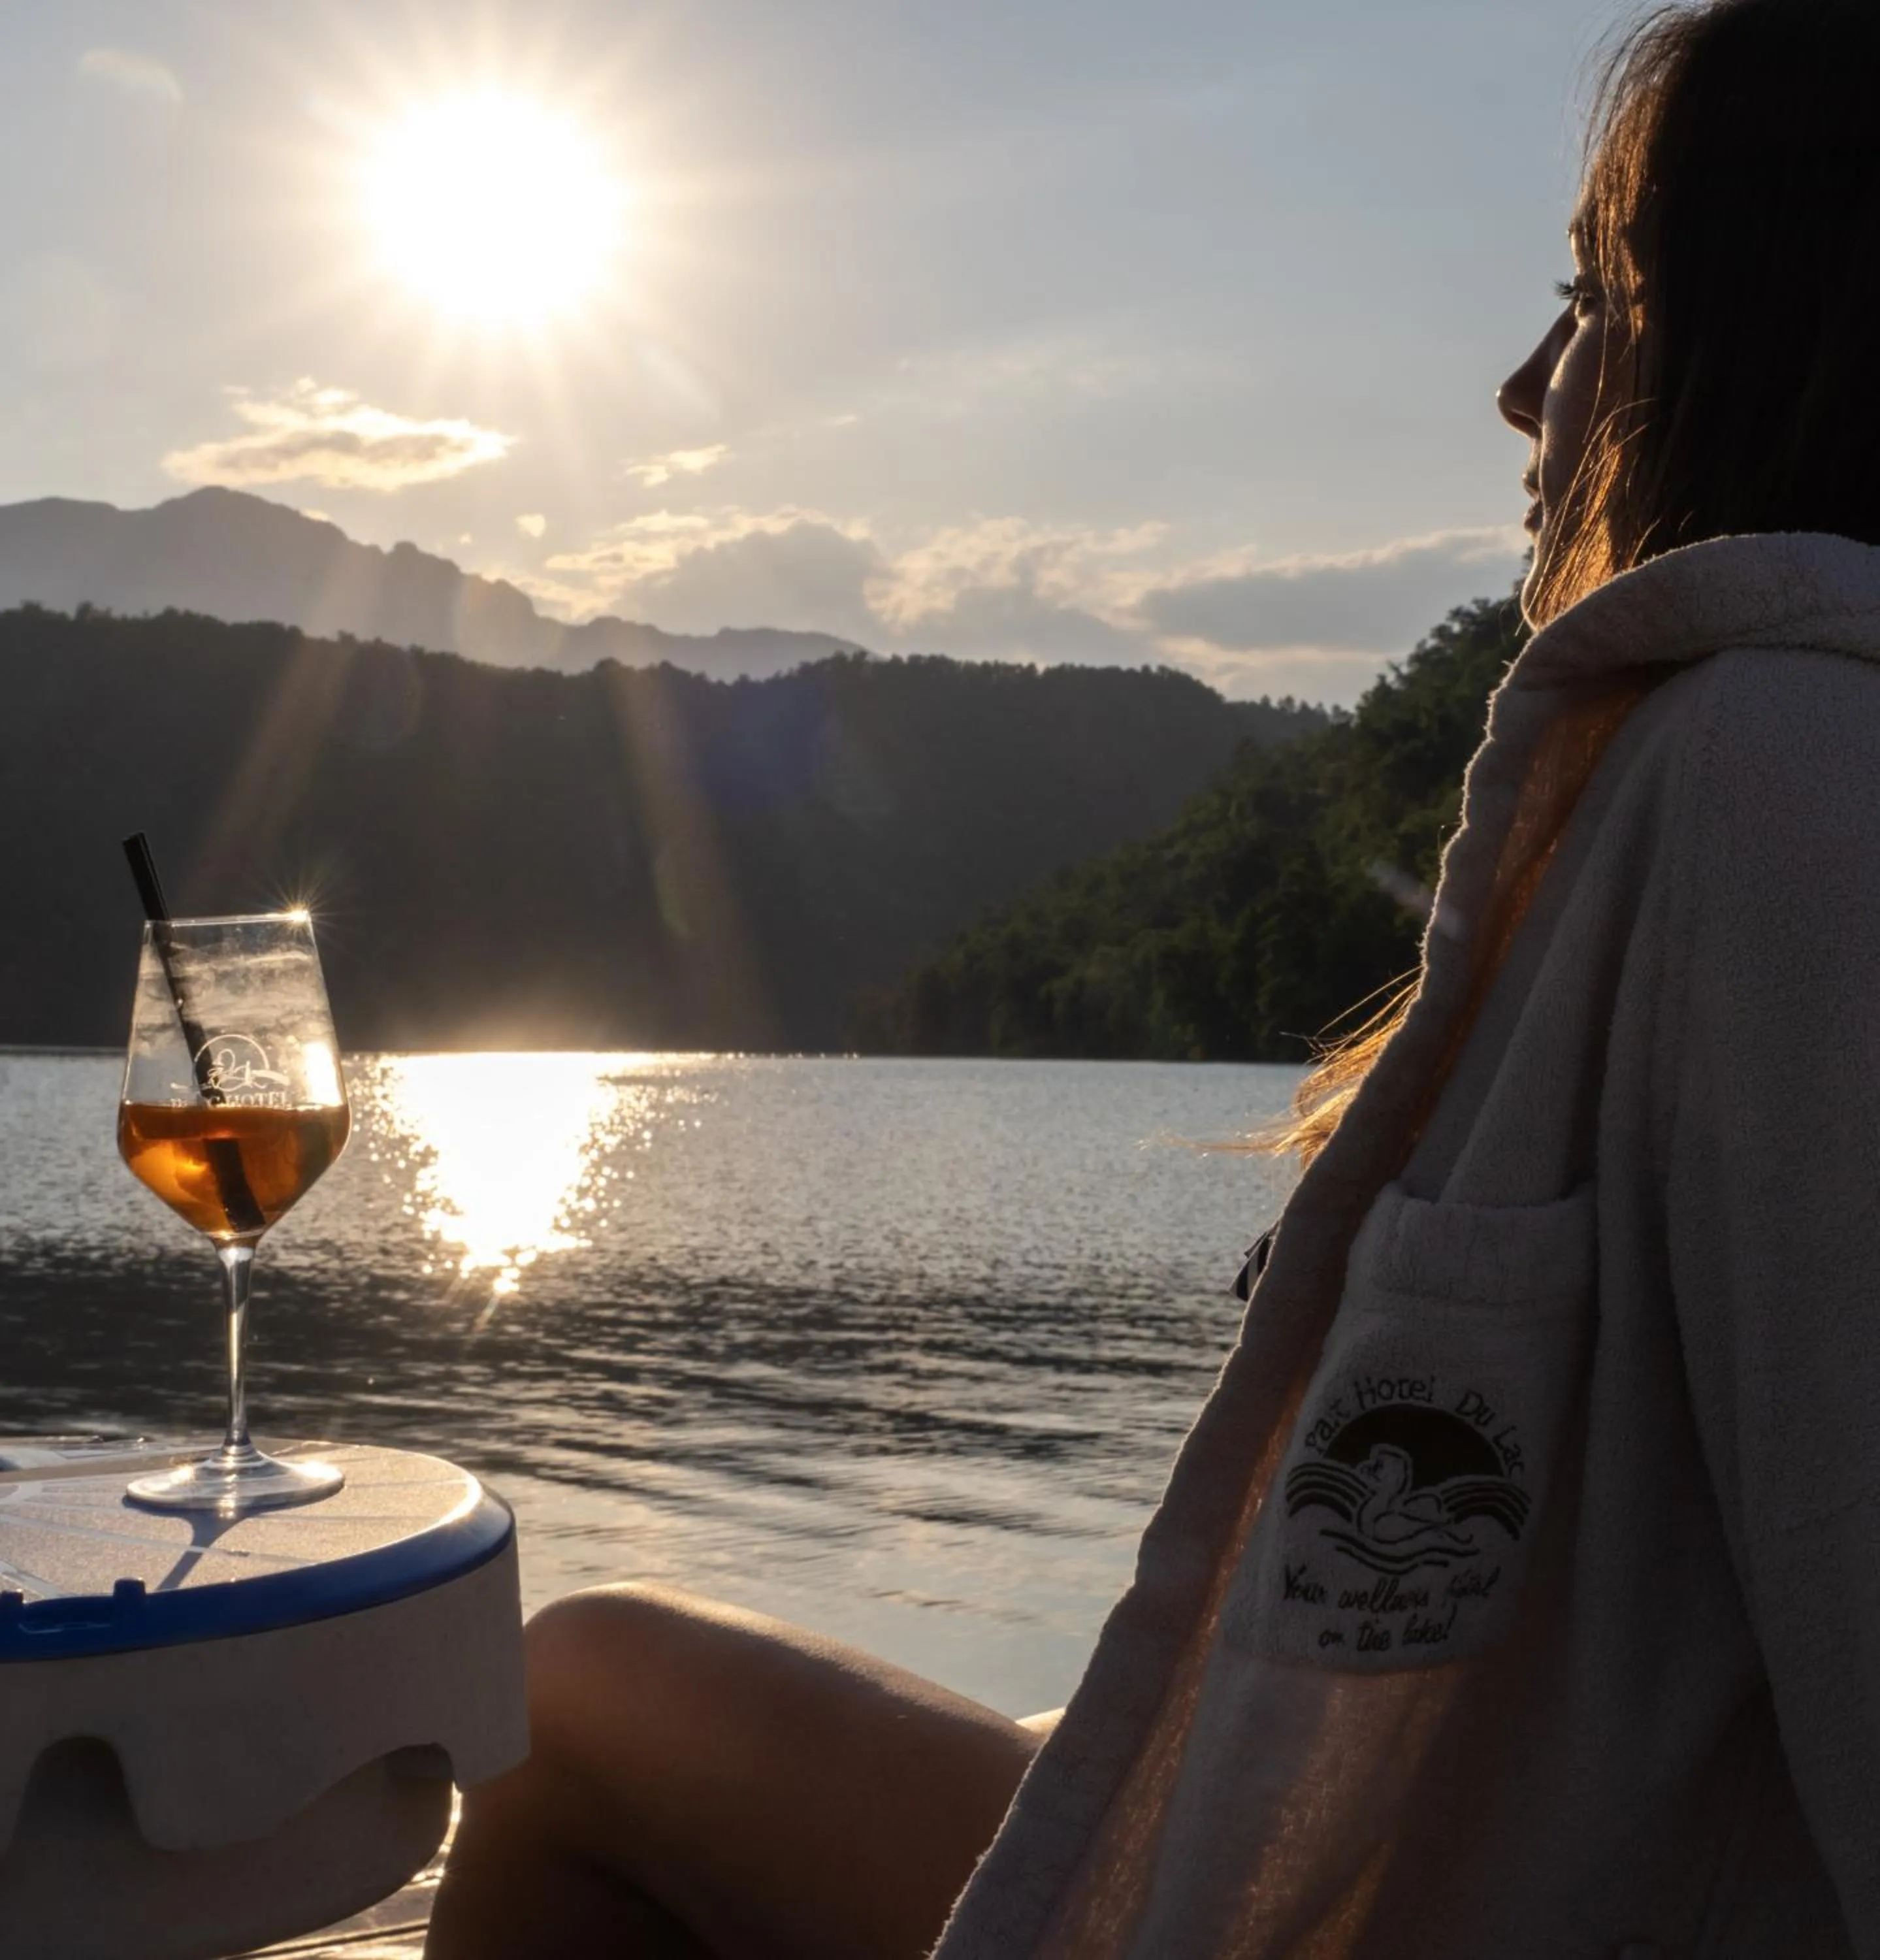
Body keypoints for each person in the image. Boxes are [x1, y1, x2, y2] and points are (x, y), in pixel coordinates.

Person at [425, 2, 1880, 1952]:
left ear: (1775, 335)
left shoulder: (1779, 779)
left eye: (1599, 295)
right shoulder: (1718, 774)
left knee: (567, 1701)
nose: (1527, 390)